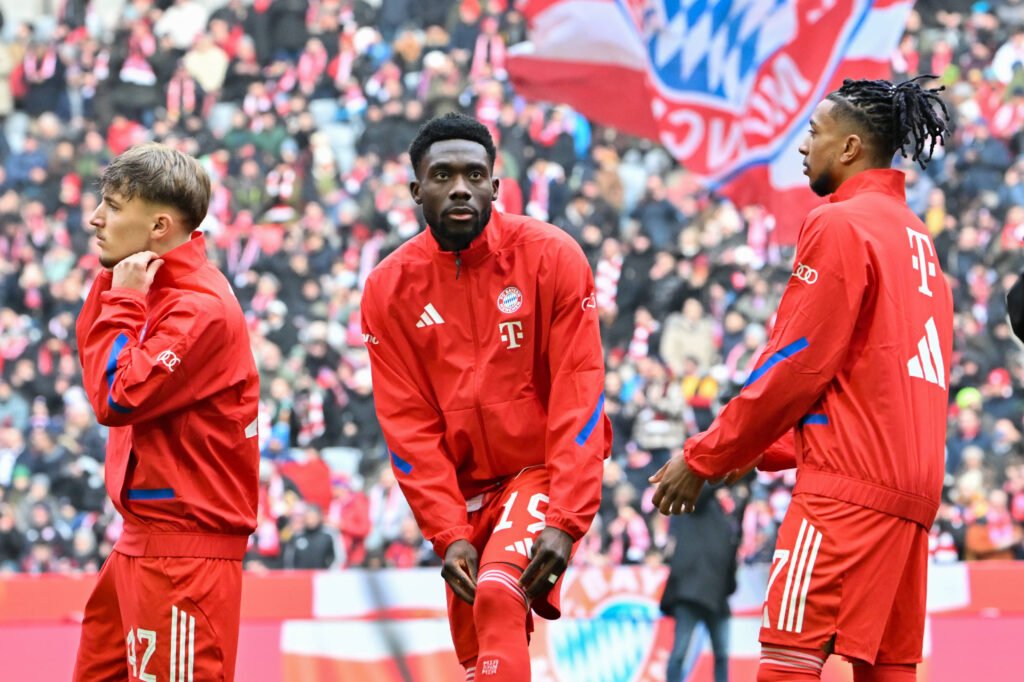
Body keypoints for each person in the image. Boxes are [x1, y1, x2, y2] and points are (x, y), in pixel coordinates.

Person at [650, 76, 952, 682]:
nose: (803, 146)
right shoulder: (919, 239)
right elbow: (874, 385)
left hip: (844, 495)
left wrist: (706, 455)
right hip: (910, 497)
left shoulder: (838, 223)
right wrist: (761, 450)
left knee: (788, 661)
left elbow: (795, 364)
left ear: (849, 147)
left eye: (814, 132)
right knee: (887, 669)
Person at [361, 112, 611, 681]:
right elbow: (407, 427)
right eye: (442, 175)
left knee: (498, 591)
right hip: (465, 494)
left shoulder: (552, 256)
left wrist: (566, 517)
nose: (460, 188)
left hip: (539, 471)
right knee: (481, 659)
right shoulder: (387, 288)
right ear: (415, 190)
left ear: (495, 187)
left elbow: (580, 391)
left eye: (474, 175)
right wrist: (448, 533)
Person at [73, 143, 260, 682]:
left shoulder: (199, 307)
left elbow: (114, 396)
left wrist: (122, 299)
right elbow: (96, 365)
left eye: (112, 206)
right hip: (140, 542)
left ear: (158, 226)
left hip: (184, 558)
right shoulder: (149, 283)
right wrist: (116, 288)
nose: (95, 218)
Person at [660, 486, 738, 682]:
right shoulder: (696, 506)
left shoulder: (725, 517)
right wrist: (722, 476)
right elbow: (702, 490)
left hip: (716, 595)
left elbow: (730, 554)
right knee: (680, 653)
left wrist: (729, 586)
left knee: (721, 655)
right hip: (691, 594)